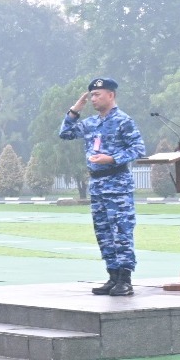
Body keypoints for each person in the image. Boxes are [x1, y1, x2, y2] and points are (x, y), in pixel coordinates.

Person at [60, 77, 146, 297]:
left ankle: (125, 280)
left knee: (121, 232)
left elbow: (138, 149)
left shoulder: (123, 121)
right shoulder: (91, 122)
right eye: (91, 96)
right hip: (97, 185)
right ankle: (113, 276)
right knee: (104, 233)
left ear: (111, 95)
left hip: (117, 185)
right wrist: (74, 110)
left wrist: (112, 158)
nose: (94, 99)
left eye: (98, 95)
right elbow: (66, 133)